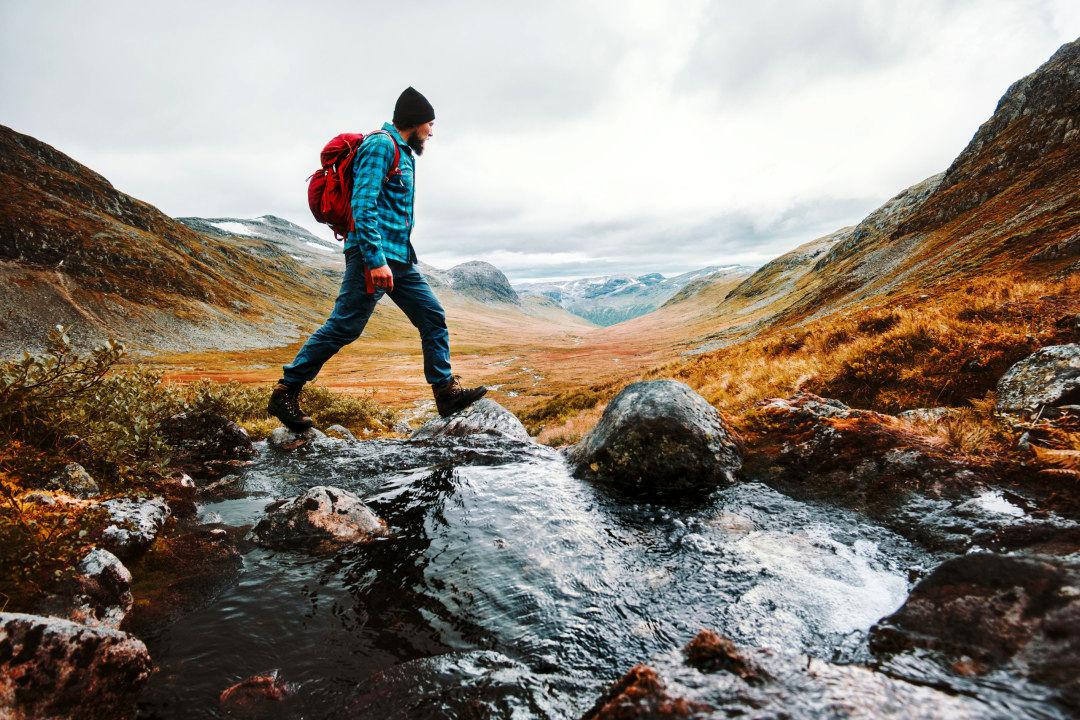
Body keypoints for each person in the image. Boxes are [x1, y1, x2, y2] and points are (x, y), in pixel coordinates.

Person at [268, 87, 486, 431]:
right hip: (374, 255)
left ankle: (445, 393)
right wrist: (375, 260)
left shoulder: (404, 152)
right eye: (430, 124)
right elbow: (363, 203)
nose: (432, 131)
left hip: (399, 257)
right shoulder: (381, 145)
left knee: (432, 316)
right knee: (345, 326)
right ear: (414, 123)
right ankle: (286, 391)